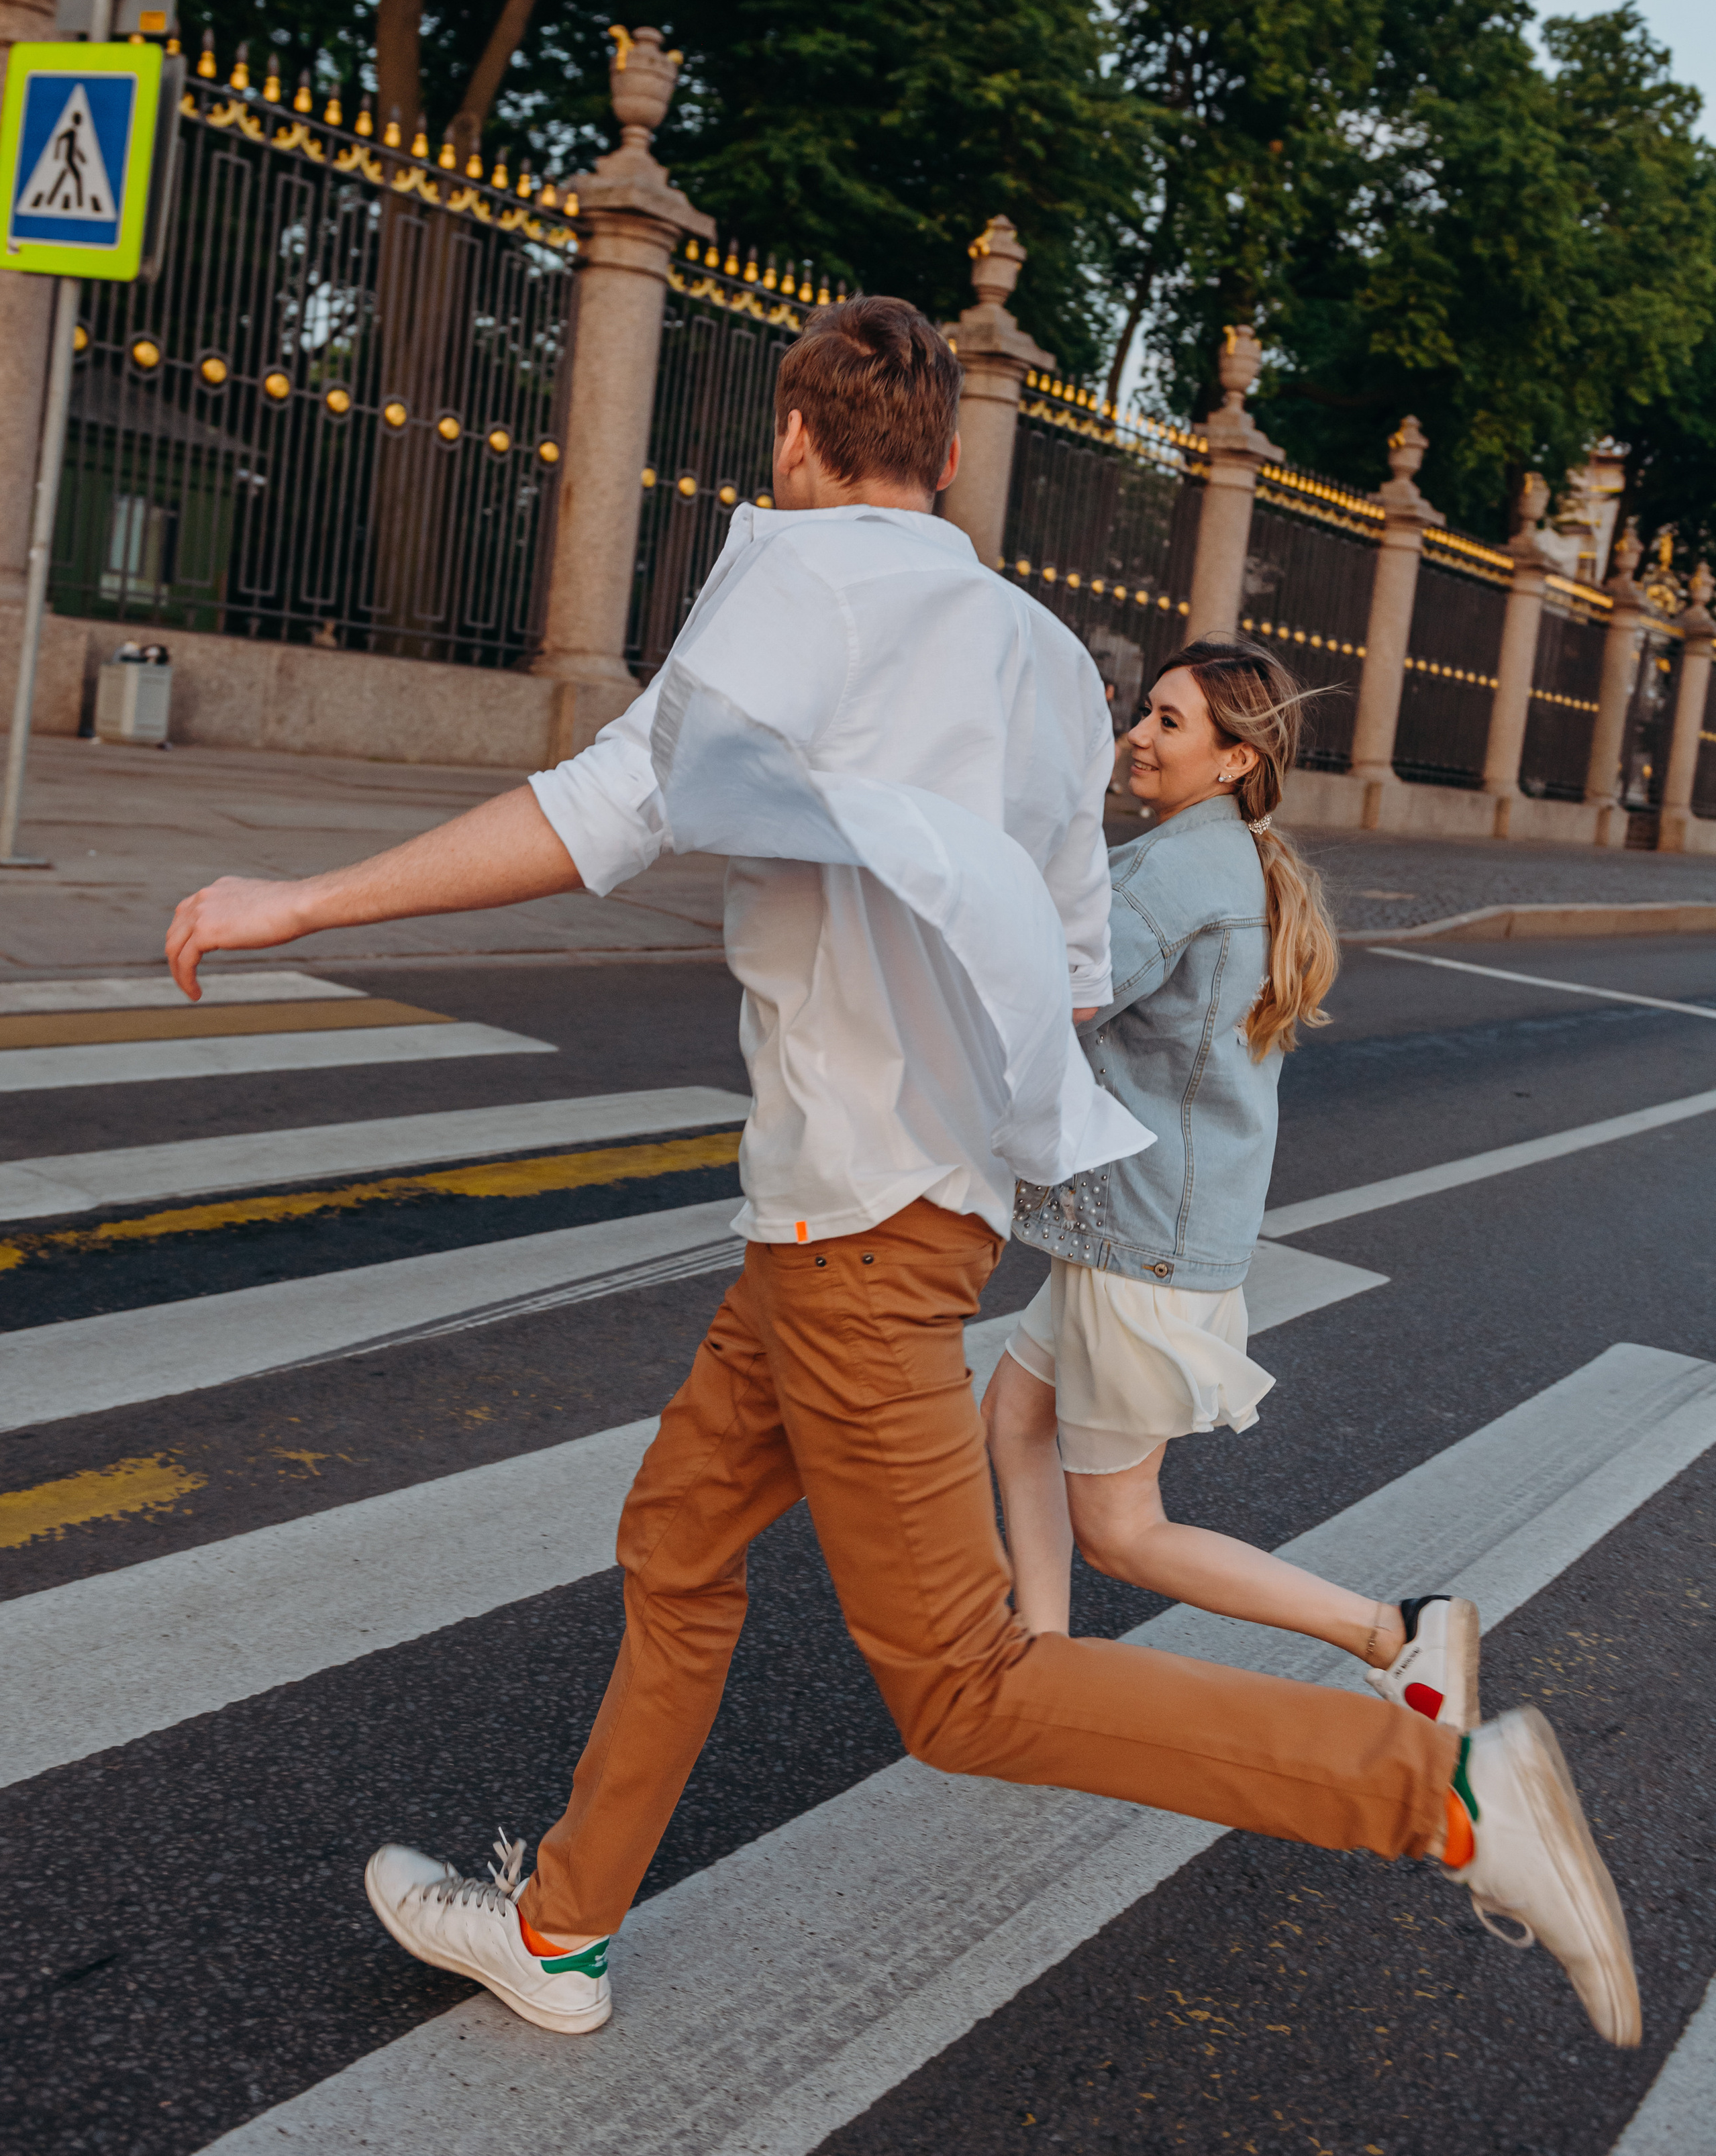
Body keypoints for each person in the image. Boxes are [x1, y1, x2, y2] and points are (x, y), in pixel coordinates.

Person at [163, 297, 1639, 2052]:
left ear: (794, 441)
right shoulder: (1027, 649)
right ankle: (562, 1927)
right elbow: (1075, 954)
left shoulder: (791, 573)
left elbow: (607, 804)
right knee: (681, 1534)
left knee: (961, 1687)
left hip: (848, 1225)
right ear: (948, 463)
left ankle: (1441, 1791)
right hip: (899, 1212)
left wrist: (304, 901)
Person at [984, 639, 1478, 1731]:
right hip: (1155, 1223)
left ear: (1233, 760)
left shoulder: (1179, 873)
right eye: (1144, 714)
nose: (1139, 736)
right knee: (1016, 1413)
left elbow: (1060, 1002)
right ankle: (1046, 1658)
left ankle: (1393, 1631)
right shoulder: (1228, 860)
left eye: (1169, 722)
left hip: (1143, 1238)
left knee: (1124, 1528)